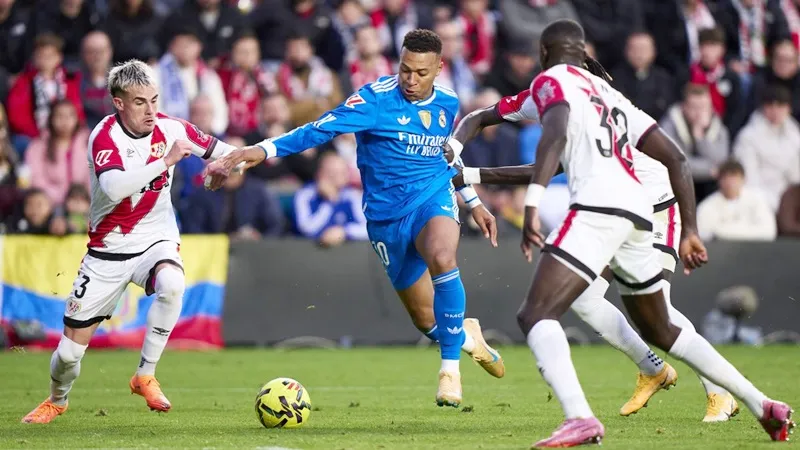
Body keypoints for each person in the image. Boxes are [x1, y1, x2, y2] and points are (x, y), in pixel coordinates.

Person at [468, 19, 792, 447]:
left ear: (545, 55)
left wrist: (531, 205)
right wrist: (693, 231)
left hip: (619, 208)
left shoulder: (552, 83)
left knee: (536, 314)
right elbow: (677, 156)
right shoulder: (610, 96)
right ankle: (761, 403)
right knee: (654, 326)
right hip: (638, 210)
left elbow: (554, 138)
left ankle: (582, 416)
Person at [203, 29, 504, 407]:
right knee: (427, 321)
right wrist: (262, 150)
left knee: (443, 258)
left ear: (439, 68)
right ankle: (465, 336)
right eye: (405, 70)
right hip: (386, 218)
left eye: (421, 73)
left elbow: (446, 156)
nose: (411, 80)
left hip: (432, 197)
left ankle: (449, 374)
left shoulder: (448, 102)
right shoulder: (374, 101)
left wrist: (472, 201)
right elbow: (318, 130)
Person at [447, 85, 744, 422]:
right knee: (584, 297)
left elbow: (546, 168)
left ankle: (720, 392)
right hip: (614, 212)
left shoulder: (595, 103)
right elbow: (481, 116)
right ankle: (652, 369)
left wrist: (469, 174)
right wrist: (455, 149)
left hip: (655, 207)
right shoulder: (544, 93)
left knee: (657, 306)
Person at [21, 59, 242, 424]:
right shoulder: (103, 137)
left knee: (172, 284)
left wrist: (244, 158)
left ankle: (145, 374)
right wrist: (167, 161)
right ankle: (57, 399)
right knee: (68, 355)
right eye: (140, 102)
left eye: (154, 100)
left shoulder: (172, 127)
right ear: (119, 103)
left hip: (156, 238)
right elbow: (114, 186)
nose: (152, 111)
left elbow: (223, 151)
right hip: (108, 251)